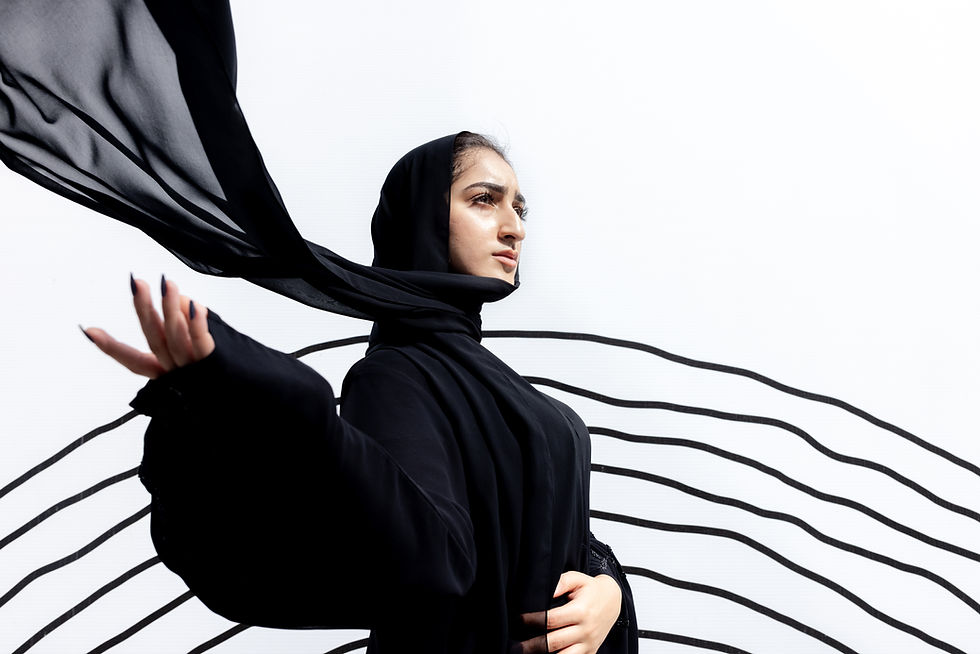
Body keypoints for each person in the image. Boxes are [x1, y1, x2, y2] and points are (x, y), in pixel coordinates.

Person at [80, 132, 639, 653]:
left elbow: (555, 532)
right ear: (423, 218)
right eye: (484, 199)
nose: (515, 227)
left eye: (519, 207)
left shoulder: (503, 387)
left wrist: (608, 591)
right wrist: (261, 395)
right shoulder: (396, 374)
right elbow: (427, 552)